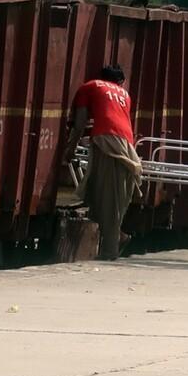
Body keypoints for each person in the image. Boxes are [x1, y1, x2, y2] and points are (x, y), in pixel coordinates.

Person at [63, 65, 142, 261]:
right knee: (109, 194)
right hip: (126, 145)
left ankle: (110, 250)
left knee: (107, 196)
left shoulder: (89, 87)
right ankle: (118, 237)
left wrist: (70, 148)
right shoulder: (124, 94)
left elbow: (80, 123)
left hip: (106, 141)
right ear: (119, 81)